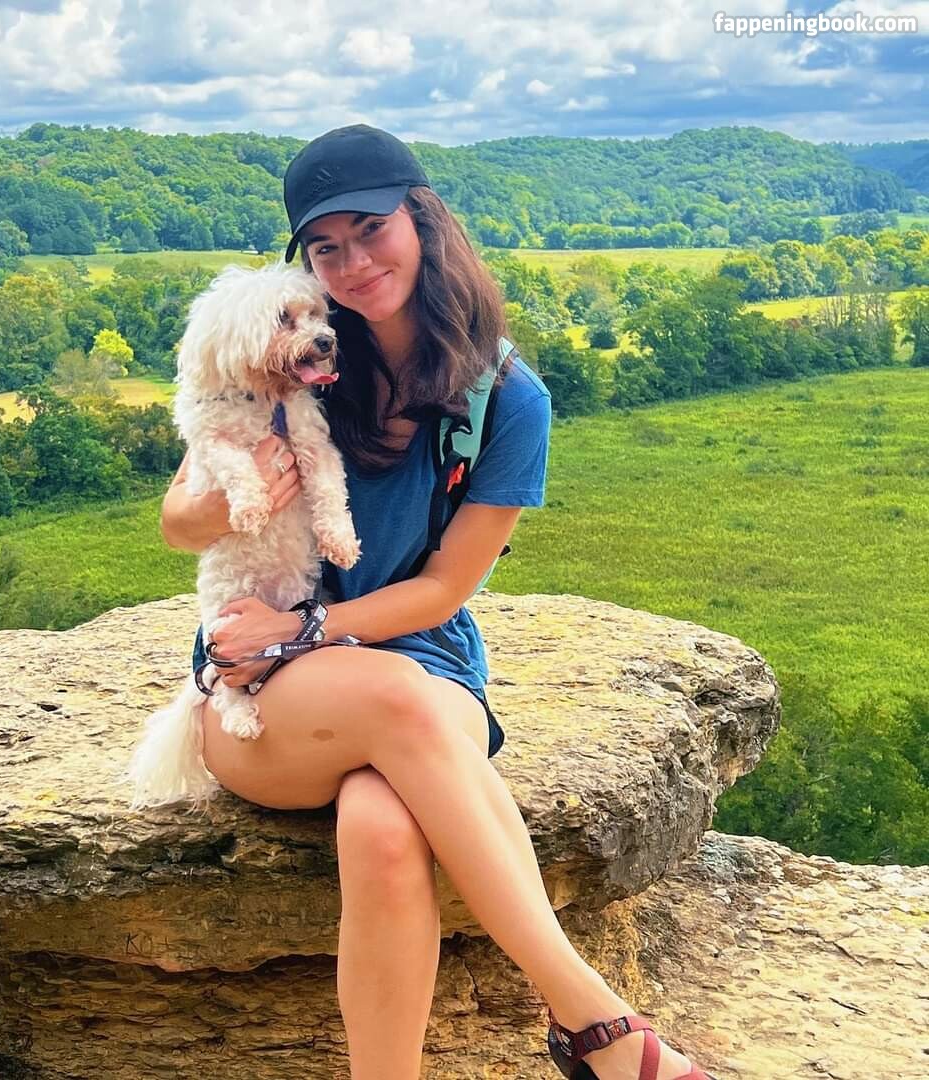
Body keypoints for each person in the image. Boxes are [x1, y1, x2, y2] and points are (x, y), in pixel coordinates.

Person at [159, 125, 714, 1080]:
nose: (352, 263)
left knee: (383, 825)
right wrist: (245, 492)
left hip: (419, 657)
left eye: (370, 230)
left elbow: (446, 588)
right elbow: (179, 522)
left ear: (422, 220)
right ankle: (596, 1024)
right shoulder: (288, 358)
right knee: (394, 702)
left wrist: (311, 629)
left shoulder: (507, 399)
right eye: (325, 247)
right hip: (265, 684)